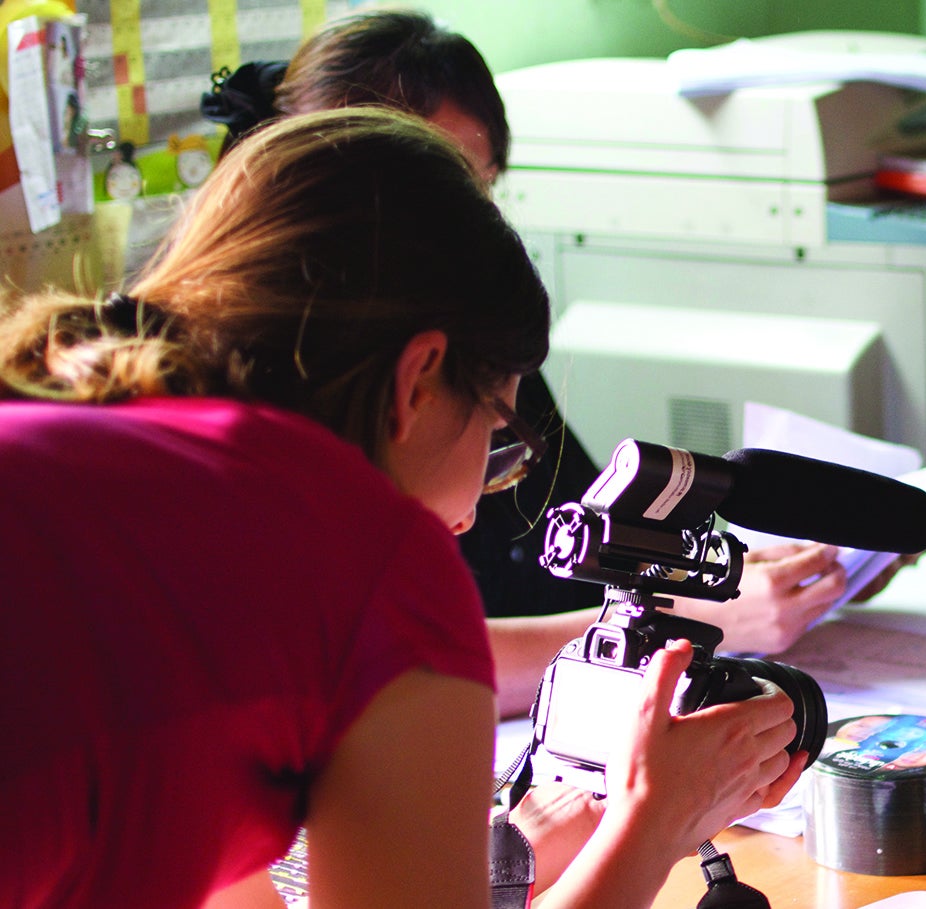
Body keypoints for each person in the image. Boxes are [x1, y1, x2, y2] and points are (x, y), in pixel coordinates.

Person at [0, 109, 804, 907]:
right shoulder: (370, 560)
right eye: (499, 432)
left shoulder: (90, 453)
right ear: (418, 379)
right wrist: (655, 822)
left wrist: (508, 858)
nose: (471, 512)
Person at [202, 8, 878, 717]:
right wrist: (693, 618)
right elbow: (392, 658)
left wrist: (741, 576)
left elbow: (587, 531)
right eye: (439, 191)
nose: (473, 227)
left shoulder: (476, 339)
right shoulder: (271, 426)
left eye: (479, 187)